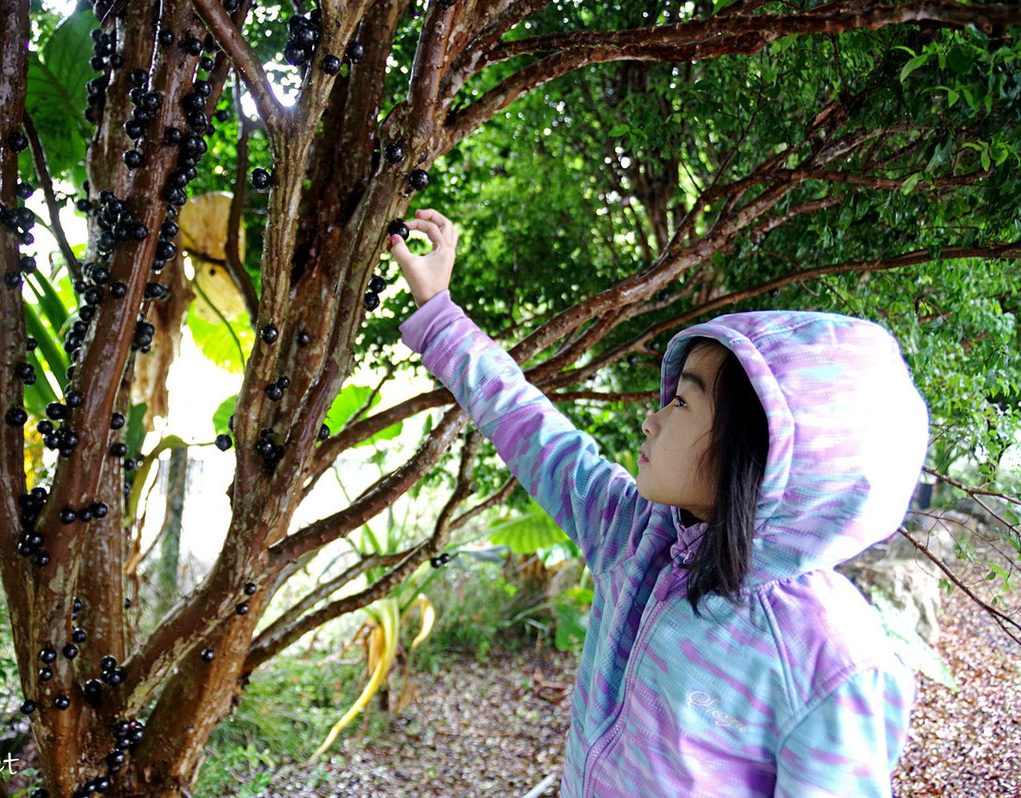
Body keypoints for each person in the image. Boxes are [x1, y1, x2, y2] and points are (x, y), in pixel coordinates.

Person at [387, 208, 929, 797]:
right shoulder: (637, 537)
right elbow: (529, 426)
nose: (651, 420)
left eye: (683, 405)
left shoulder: (825, 659)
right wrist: (438, 308)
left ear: (761, 458)